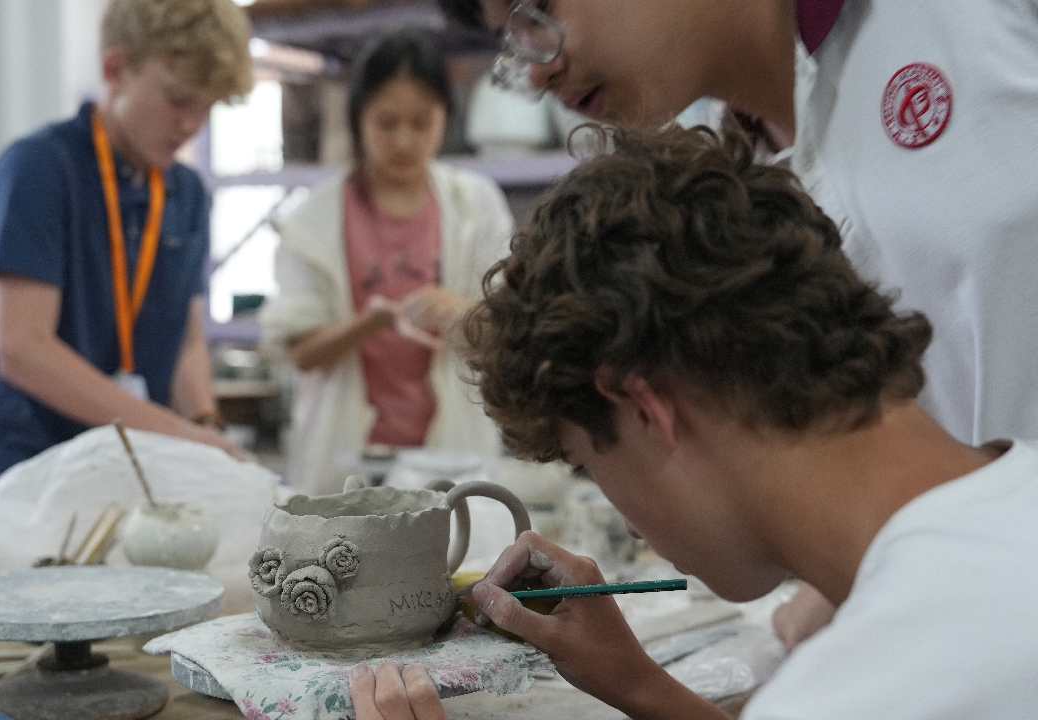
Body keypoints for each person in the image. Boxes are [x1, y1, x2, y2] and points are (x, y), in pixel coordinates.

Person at [349, 124, 1038, 719]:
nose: (627, 520)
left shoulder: (872, 688)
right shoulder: (1008, 512)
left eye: (590, 464)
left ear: (648, 411)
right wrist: (642, 687)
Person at [436, 0, 1038, 648]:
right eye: (508, 40)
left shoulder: (980, 18)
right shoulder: (735, 199)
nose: (535, 70)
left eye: (538, 9)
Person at [0, 0, 252, 500]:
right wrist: (178, 434)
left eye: (207, 106)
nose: (191, 125)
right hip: (23, 477)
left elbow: (186, 341)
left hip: (125, 477)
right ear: (116, 69)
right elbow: (23, 348)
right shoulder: (39, 170)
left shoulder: (187, 194)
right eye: (179, 100)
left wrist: (207, 425)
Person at [259, 31, 514, 495]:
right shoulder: (312, 219)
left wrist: (457, 310)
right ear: (358, 119)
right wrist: (369, 323)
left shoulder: (477, 205)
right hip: (343, 464)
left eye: (421, 122)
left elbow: (511, 331)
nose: (403, 140)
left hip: (454, 456)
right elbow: (299, 351)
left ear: (446, 118)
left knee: (463, 558)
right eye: (386, 121)